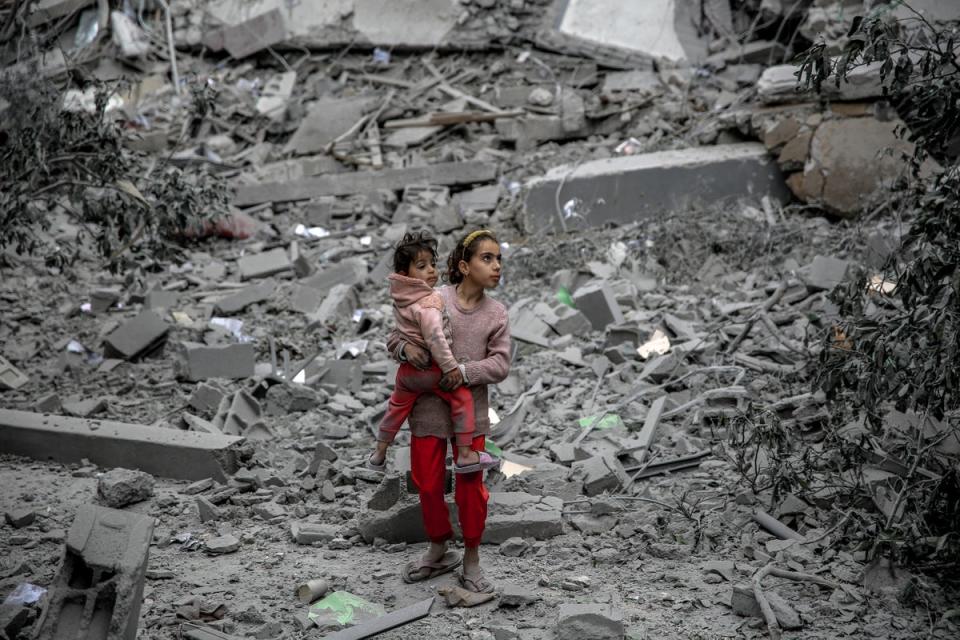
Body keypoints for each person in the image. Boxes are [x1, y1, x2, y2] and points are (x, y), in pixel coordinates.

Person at [386, 228, 510, 594]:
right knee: (427, 484)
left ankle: (471, 559)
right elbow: (396, 334)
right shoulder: (434, 297)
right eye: (487, 258)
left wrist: (464, 372)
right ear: (463, 266)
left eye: (499, 259)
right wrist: (404, 351)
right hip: (426, 412)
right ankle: (438, 548)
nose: (496, 266)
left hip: (469, 416)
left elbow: (500, 365)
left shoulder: (497, 314)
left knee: (471, 489)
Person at [368, 231, 498, 474]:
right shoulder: (431, 300)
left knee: (396, 408)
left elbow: (500, 364)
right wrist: (450, 367)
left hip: (407, 376)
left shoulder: (401, 296)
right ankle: (466, 454)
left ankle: (379, 453)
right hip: (433, 370)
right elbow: (435, 338)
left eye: (433, 265)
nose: (432, 271)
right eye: (422, 266)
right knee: (462, 400)